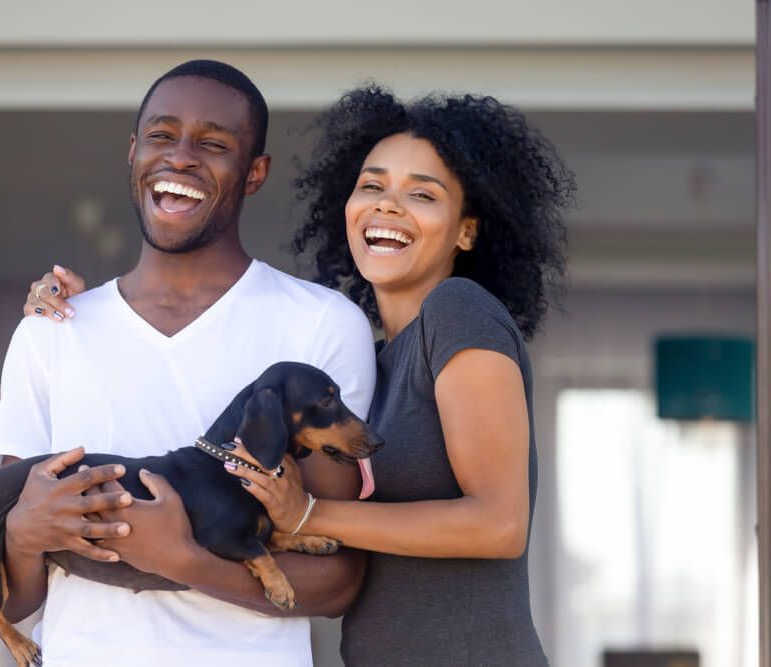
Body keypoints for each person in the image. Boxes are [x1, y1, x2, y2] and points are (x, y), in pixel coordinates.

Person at [31, 86, 574, 666]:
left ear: (465, 230)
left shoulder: (459, 312)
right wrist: (89, 315)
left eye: (421, 194)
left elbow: (500, 524)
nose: (388, 206)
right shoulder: (378, 361)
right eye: (372, 186)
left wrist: (309, 514)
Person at [0, 60, 377, 667]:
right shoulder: (51, 333)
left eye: (213, 144)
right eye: (162, 136)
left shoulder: (321, 325)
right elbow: (15, 599)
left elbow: (340, 581)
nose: (181, 157)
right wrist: (19, 533)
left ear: (254, 173)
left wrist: (183, 560)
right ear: (134, 152)